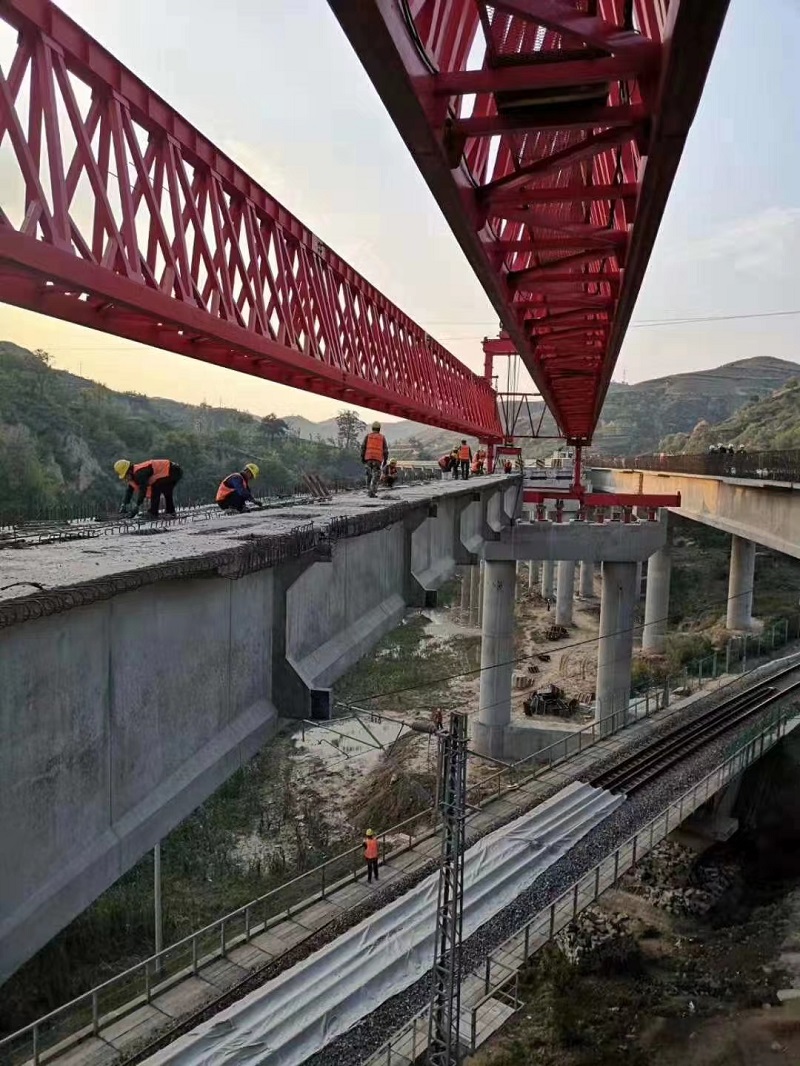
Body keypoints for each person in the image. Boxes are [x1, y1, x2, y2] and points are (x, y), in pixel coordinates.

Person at [115, 459, 182, 518]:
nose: (125, 479)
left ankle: (153, 513)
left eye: (125, 476)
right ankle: (170, 511)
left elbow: (143, 489)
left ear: (129, 471)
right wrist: (124, 504)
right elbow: (129, 490)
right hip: (174, 470)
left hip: (173, 470)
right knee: (166, 490)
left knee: (156, 486)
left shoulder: (139, 474)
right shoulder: (134, 474)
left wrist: (137, 506)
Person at [361, 421, 388, 497]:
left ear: (372, 428)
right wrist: (385, 460)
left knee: (368, 475)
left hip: (368, 459)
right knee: (376, 476)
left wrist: (362, 458)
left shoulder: (368, 436)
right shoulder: (382, 437)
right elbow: (385, 450)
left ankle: (369, 490)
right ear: (379, 429)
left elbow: (363, 447)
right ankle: (372, 492)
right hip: (377, 459)